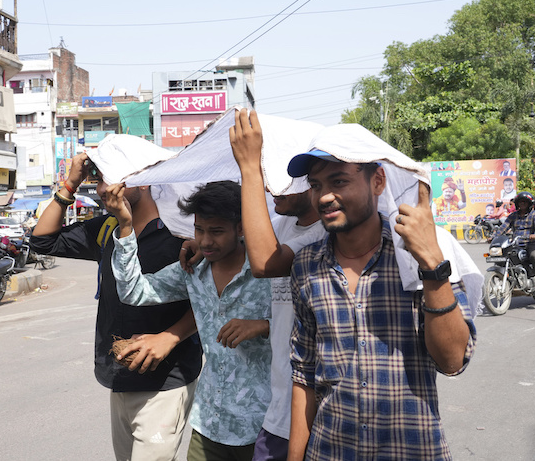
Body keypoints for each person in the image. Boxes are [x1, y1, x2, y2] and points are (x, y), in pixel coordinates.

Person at [284, 126, 478, 460]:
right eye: (316, 186)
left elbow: (452, 361)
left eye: (339, 181)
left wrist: (432, 264)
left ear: (378, 182)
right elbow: (304, 376)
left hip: (412, 450)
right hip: (329, 451)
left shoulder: (419, 254)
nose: (324, 196)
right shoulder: (306, 266)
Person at [30, 152, 202, 461]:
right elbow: (43, 242)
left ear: (143, 179)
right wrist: (70, 183)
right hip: (119, 375)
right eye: (97, 179)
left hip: (166, 379)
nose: (100, 189)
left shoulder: (184, 234)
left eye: (110, 177)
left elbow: (209, 297)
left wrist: (171, 336)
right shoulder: (108, 228)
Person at [110, 180, 273, 461]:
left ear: (241, 228)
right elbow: (133, 292)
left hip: (263, 424)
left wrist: (263, 325)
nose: (206, 241)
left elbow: (306, 323)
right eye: (200, 230)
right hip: (209, 422)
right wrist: (126, 227)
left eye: (217, 232)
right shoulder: (192, 269)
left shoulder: (269, 269)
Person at [228, 108, 326, 461]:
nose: (269, 187)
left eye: (279, 174)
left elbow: (264, 262)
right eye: (266, 173)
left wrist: (250, 167)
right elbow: (242, 232)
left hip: (310, 408)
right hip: (280, 402)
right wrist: (191, 240)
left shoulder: (322, 235)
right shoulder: (283, 224)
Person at [492, 191, 535, 292]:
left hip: (531, 243)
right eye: (520, 202)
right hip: (516, 244)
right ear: (517, 204)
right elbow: (503, 227)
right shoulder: (513, 216)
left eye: (525, 202)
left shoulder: (534, 214)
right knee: (504, 256)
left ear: (529, 204)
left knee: (534, 255)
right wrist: (494, 236)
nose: (523, 204)